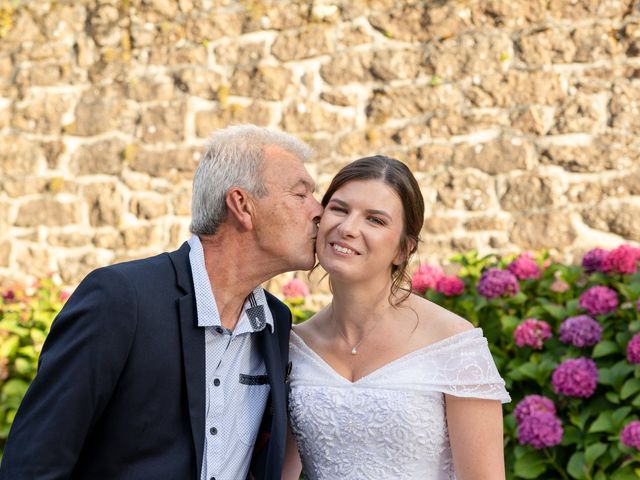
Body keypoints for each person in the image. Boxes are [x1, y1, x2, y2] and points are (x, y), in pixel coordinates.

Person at [0, 125, 323, 480]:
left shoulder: (275, 322)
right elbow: (34, 463)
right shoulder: (120, 299)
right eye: (301, 194)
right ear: (242, 205)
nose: (319, 211)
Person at [282, 155, 510, 480]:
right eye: (340, 209)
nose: (348, 228)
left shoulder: (453, 343)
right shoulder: (294, 345)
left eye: (375, 220)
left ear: (404, 250)